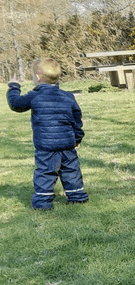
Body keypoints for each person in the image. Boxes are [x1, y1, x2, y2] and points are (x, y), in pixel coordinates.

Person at [6, 58, 89, 209]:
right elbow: (77, 119)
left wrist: (14, 86)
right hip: (67, 144)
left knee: (45, 172)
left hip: (46, 146)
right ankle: (77, 197)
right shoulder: (68, 96)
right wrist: (77, 138)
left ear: (38, 77)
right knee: (71, 170)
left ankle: (42, 202)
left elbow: (16, 104)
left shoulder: (34, 96)